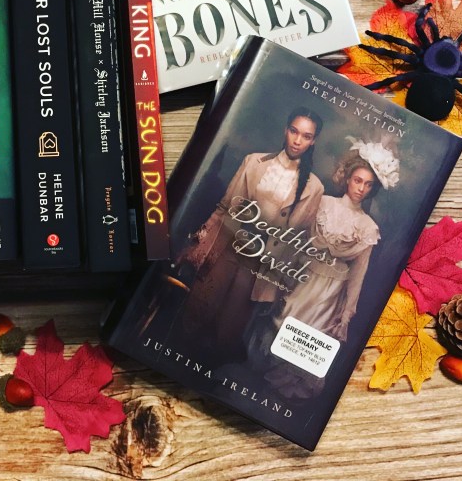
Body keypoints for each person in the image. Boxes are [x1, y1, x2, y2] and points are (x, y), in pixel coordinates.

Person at [170, 107, 325, 362]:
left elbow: (298, 241)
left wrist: (282, 285)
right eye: (294, 131)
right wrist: (199, 243)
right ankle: (174, 358)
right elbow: (224, 207)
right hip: (229, 245)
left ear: (313, 141)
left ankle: (207, 370)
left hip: (260, 264)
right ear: (285, 130)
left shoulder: (314, 187)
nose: (297, 140)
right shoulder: (254, 162)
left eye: (306, 136)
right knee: (200, 305)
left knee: (229, 324)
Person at [265, 138, 399, 397]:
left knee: (310, 337)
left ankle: (291, 389)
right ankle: (269, 380)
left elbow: (358, 273)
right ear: (347, 178)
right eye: (358, 180)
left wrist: (348, 310)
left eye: (368, 184)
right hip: (302, 278)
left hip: (330, 291)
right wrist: (282, 272)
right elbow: (297, 240)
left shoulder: (368, 227)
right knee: (284, 324)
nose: (361, 188)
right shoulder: (323, 203)